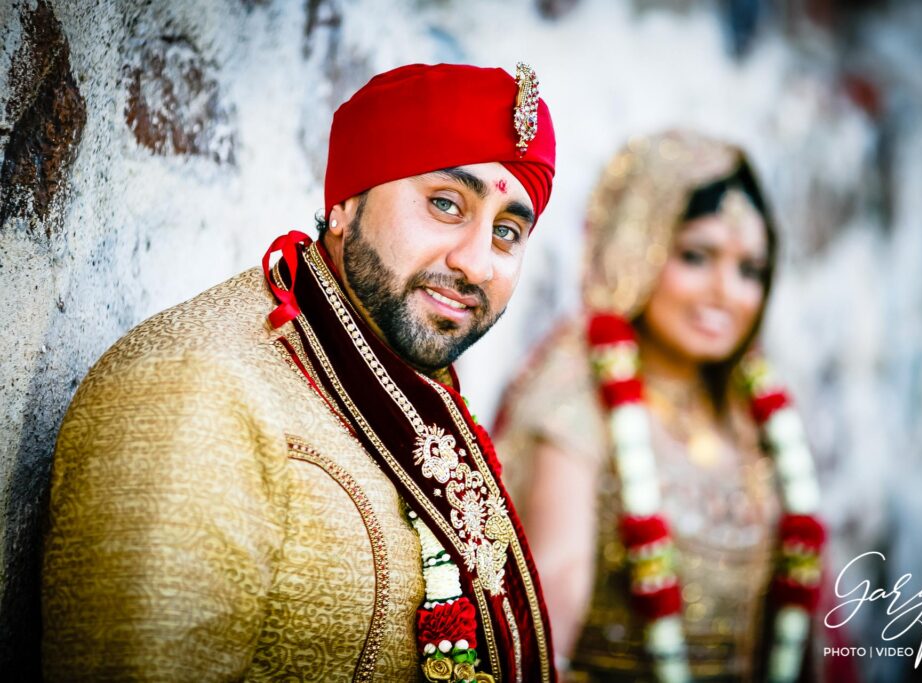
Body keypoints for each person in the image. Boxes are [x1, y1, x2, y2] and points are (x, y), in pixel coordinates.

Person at [42, 62, 556, 682]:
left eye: (507, 233)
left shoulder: (410, 380)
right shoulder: (196, 388)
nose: (476, 263)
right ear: (344, 201)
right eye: (446, 204)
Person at [494, 130, 826, 683]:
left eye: (750, 271)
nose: (725, 291)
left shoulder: (755, 409)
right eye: (697, 257)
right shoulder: (577, 391)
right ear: (636, 247)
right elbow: (551, 608)